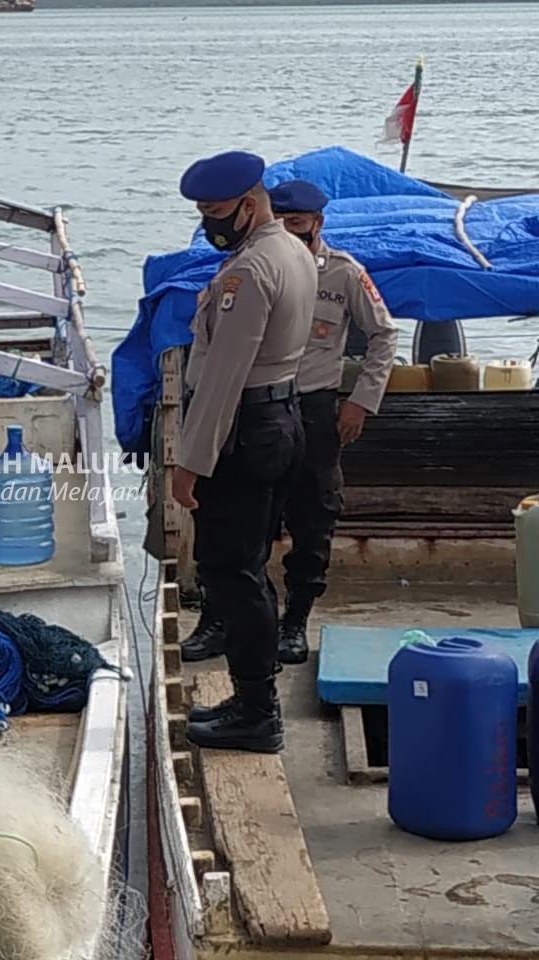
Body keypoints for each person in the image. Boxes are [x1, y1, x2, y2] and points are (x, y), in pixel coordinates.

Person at [181, 180, 400, 667]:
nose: (287, 231)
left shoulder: (343, 274)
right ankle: (219, 620)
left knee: (312, 512)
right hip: (257, 409)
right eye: (281, 221)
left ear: (318, 224)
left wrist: (361, 400)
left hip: (314, 407)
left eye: (297, 224)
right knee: (239, 521)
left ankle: (296, 619)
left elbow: (384, 334)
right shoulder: (249, 264)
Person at [171, 151, 316, 754]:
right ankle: (250, 700)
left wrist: (189, 461)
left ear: (250, 205)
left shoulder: (250, 272)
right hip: (279, 418)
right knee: (249, 565)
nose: (211, 222)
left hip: (245, 427)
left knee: (231, 570)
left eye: (217, 211)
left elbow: (225, 375)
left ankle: (258, 712)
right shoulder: (292, 252)